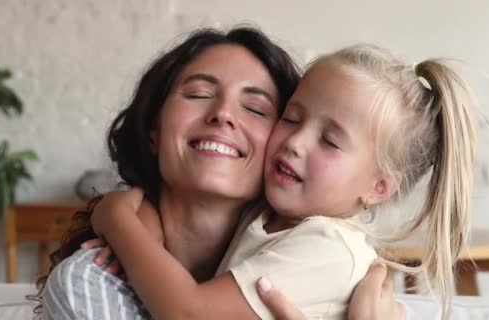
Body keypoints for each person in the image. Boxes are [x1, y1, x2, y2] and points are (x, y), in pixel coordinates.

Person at [36, 27, 405, 320]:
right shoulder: (90, 280)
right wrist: (123, 218)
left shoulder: (319, 255)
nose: (223, 114)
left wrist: (116, 217)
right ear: (154, 131)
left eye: (255, 108)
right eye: (197, 94)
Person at [87, 43, 477, 320]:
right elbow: (169, 212)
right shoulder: (271, 214)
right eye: (291, 118)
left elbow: (190, 312)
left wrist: (115, 219)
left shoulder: (328, 248)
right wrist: (144, 227)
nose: (294, 142)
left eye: (329, 141)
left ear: (379, 187)